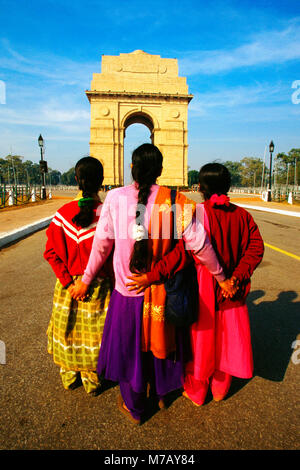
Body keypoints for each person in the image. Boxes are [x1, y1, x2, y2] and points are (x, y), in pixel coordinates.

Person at [71, 145, 234, 424]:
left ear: (132, 168)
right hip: (161, 292)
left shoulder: (114, 198)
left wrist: (85, 280)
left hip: (128, 293)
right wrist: (222, 277)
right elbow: (199, 245)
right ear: (160, 170)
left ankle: (134, 407)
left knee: (130, 351)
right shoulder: (174, 201)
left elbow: (102, 245)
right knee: (160, 347)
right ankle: (160, 393)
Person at [128, 162, 264, 406]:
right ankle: (221, 388)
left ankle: (197, 391)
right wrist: (235, 279)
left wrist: (153, 274)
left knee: (201, 342)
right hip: (232, 292)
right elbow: (255, 249)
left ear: (200, 187)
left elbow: (181, 253)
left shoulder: (196, 212)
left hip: (203, 289)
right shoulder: (243, 216)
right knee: (227, 340)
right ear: (228, 186)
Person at [44, 157, 113, 395]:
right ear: (102, 181)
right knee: (95, 334)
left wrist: (68, 281)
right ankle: (91, 380)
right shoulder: (107, 215)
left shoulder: (62, 215)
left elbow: (50, 253)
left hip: (68, 287)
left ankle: (68, 376)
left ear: (76, 179)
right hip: (98, 288)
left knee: (67, 329)